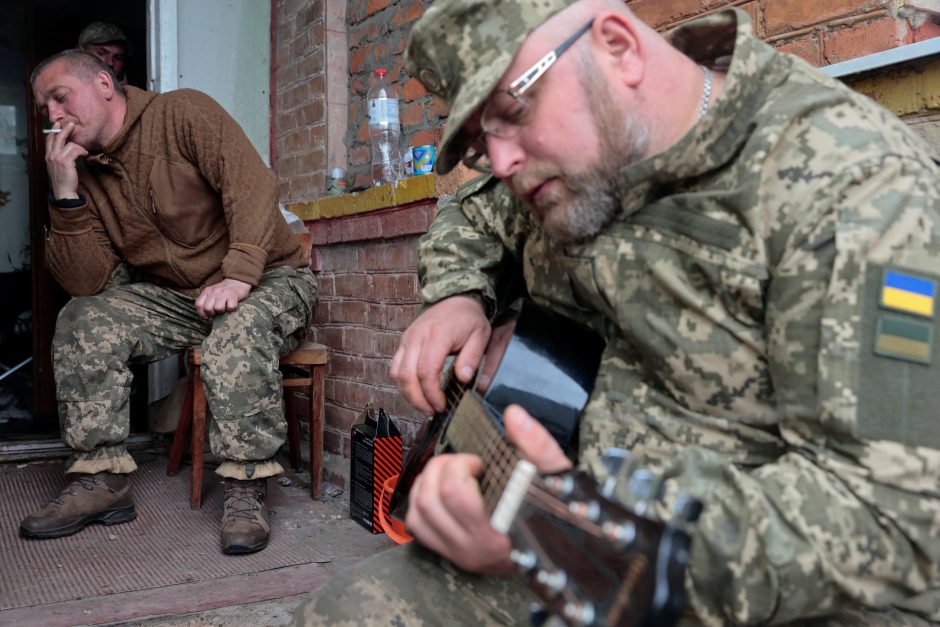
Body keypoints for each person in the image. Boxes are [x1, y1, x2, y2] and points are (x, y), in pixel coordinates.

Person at [292, 0, 940, 624]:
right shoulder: (567, 159)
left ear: (620, 49)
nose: (502, 162)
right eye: (479, 144)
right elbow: (472, 212)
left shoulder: (861, 190)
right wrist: (457, 294)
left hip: (740, 582)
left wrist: (577, 533)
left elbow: (891, 515)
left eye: (513, 112)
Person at [20, 50, 317, 555]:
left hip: (269, 278)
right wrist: (65, 194)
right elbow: (87, 282)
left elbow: (253, 186)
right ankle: (100, 479)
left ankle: (246, 486)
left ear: (103, 84)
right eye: (43, 107)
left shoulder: (182, 113)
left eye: (59, 97)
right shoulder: (83, 173)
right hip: (181, 300)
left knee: (238, 327)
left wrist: (240, 275)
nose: (52, 116)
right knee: (83, 318)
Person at [77, 21, 130, 86]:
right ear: (79, 53)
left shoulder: (130, 93)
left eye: (118, 58)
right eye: (101, 53)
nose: (110, 63)